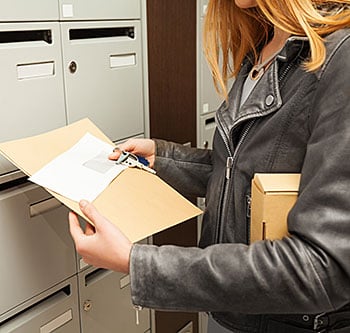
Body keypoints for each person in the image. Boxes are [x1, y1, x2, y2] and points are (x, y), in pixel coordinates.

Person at [69, 0, 350, 332]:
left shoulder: (339, 57)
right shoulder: (265, 44)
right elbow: (247, 170)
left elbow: (321, 269)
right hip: (233, 311)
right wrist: (165, 159)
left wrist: (139, 263)